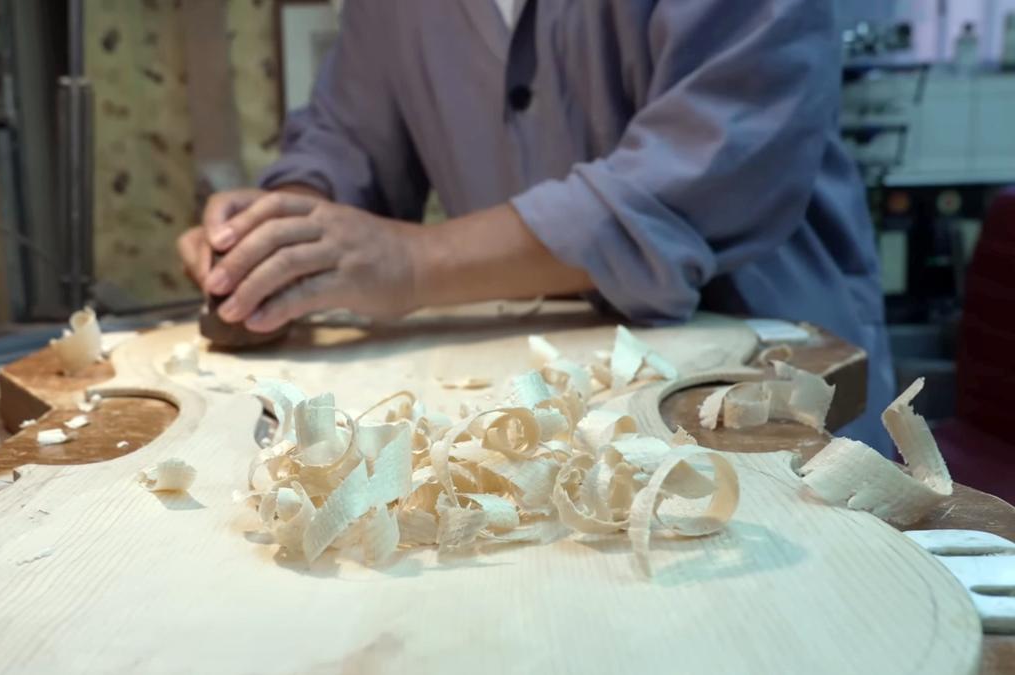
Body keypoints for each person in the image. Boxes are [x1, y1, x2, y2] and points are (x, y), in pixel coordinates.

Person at [176, 0, 894, 449]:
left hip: (769, 396)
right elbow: (347, 139)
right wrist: (286, 231)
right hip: (537, 430)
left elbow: (711, 168)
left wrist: (417, 264)